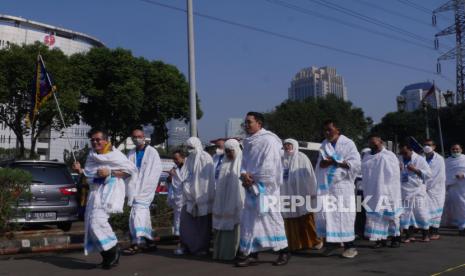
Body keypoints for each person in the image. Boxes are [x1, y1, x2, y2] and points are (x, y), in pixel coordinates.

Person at [72, 129, 137, 270]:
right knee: (90, 225)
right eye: (93, 140)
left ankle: (113, 250)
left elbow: (129, 171)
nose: (95, 142)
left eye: (98, 139)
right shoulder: (91, 156)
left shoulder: (116, 155)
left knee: (97, 221)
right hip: (95, 193)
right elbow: (90, 176)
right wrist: (81, 171)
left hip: (111, 191)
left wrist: (111, 172)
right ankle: (107, 256)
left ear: (106, 140)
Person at [236, 112, 290, 267]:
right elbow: (244, 163)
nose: (246, 125)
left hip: (266, 189)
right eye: (245, 122)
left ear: (259, 123)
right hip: (251, 188)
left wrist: (253, 178)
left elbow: (271, 165)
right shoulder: (248, 142)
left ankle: (284, 251)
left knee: (272, 219)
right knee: (250, 222)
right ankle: (252, 254)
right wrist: (244, 174)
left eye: (249, 122)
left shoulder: (269, 140)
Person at [315, 120, 361, 259]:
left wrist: (333, 161)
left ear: (337, 130)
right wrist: (325, 162)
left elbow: (355, 164)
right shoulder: (324, 144)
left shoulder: (348, 144)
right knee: (328, 216)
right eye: (325, 130)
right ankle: (332, 243)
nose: (327, 132)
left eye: (329, 129)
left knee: (344, 216)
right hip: (328, 188)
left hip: (343, 187)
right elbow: (320, 165)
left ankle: (350, 246)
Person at [124, 128, 162, 254]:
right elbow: (127, 170)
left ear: (144, 136)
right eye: (134, 137)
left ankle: (136, 243)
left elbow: (155, 173)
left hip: (145, 190)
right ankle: (150, 242)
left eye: (139, 136)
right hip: (134, 189)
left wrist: (146, 189)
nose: (137, 139)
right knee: (143, 217)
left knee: (136, 215)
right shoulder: (130, 153)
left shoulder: (152, 152)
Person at [280, 138, 322, 252]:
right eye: (285, 145)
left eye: (289, 145)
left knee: (306, 217)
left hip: (302, 193)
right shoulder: (281, 159)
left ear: (294, 145)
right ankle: (296, 243)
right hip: (287, 193)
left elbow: (310, 175)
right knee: (290, 219)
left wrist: (312, 191)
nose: (287, 147)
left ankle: (316, 241)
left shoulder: (302, 157)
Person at [361, 134, 402, 248]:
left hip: (388, 191)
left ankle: (395, 238)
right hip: (372, 191)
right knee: (375, 217)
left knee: (391, 217)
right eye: (371, 144)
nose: (373, 146)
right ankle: (380, 239)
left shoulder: (389, 155)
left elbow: (394, 173)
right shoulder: (367, 156)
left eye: (375, 143)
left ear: (381, 143)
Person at [178, 137, 215, 255]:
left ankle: (201, 248)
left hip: (203, 198)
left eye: (191, 148)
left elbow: (207, 181)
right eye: (188, 148)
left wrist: (200, 197)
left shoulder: (205, 158)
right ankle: (188, 246)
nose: (189, 150)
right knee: (186, 224)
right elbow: (185, 177)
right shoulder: (189, 159)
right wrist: (189, 194)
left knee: (202, 226)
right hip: (190, 199)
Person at [212, 139, 245, 261]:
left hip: (237, 202)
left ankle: (237, 253)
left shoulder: (242, 162)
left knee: (237, 229)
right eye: (227, 152)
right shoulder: (224, 164)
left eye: (231, 151)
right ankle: (222, 253)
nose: (229, 154)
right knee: (222, 226)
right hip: (224, 203)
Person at [399, 142, 432, 243]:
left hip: (417, 190)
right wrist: (398, 169)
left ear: (410, 150)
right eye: (402, 153)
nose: (403, 155)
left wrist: (415, 169)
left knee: (421, 213)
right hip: (404, 190)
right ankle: (409, 236)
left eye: (405, 152)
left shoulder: (420, 159)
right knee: (406, 214)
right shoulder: (399, 159)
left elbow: (429, 174)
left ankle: (425, 235)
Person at [423, 139, 446, 240]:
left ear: (434, 147)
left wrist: (428, 186)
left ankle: (435, 231)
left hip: (436, 189)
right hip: (423, 188)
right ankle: (426, 232)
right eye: (425, 145)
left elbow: (438, 176)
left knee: (436, 210)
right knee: (425, 210)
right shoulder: (421, 158)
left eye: (429, 145)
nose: (427, 147)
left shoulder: (439, 159)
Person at [443, 143, 465, 236]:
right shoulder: (447, 161)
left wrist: (463, 175)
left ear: (461, 150)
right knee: (455, 207)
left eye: (457, 149)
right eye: (453, 149)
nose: (455, 151)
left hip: (462, 186)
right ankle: (459, 225)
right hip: (451, 186)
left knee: (463, 206)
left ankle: (462, 226)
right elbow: (444, 173)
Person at [168, 150, 186, 254]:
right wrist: (171, 177)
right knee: (178, 222)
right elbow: (171, 182)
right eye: (173, 159)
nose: (175, 161)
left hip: (186, 199)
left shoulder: (188, 168)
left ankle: (185, 244)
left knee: (185, 223)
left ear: (182, 157)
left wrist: (175, 176)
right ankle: (180, 244)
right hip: (177, 200)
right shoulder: (174, 169)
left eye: (176, 158)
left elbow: (185, 181)